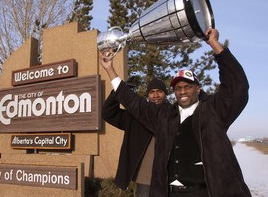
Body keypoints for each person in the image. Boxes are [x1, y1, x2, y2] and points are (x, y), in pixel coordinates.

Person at [99, 28, 251, 197]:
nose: (183, 91)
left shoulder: (213, 111)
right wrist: (110, 70)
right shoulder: (165, 117)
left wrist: (214, 44)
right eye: (178, 88)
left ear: (198, 89)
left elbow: (237, 87)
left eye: (188, 86)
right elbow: (134, 103)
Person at [102, 78, 170, 196]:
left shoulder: (174, 114)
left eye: (159, 91)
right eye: (151, 92)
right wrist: (118, 91)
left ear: (166, 94)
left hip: (168, 177)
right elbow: (108, 113)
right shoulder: (135, 116)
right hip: (145, 179)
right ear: (147, 95)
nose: (155, 95)